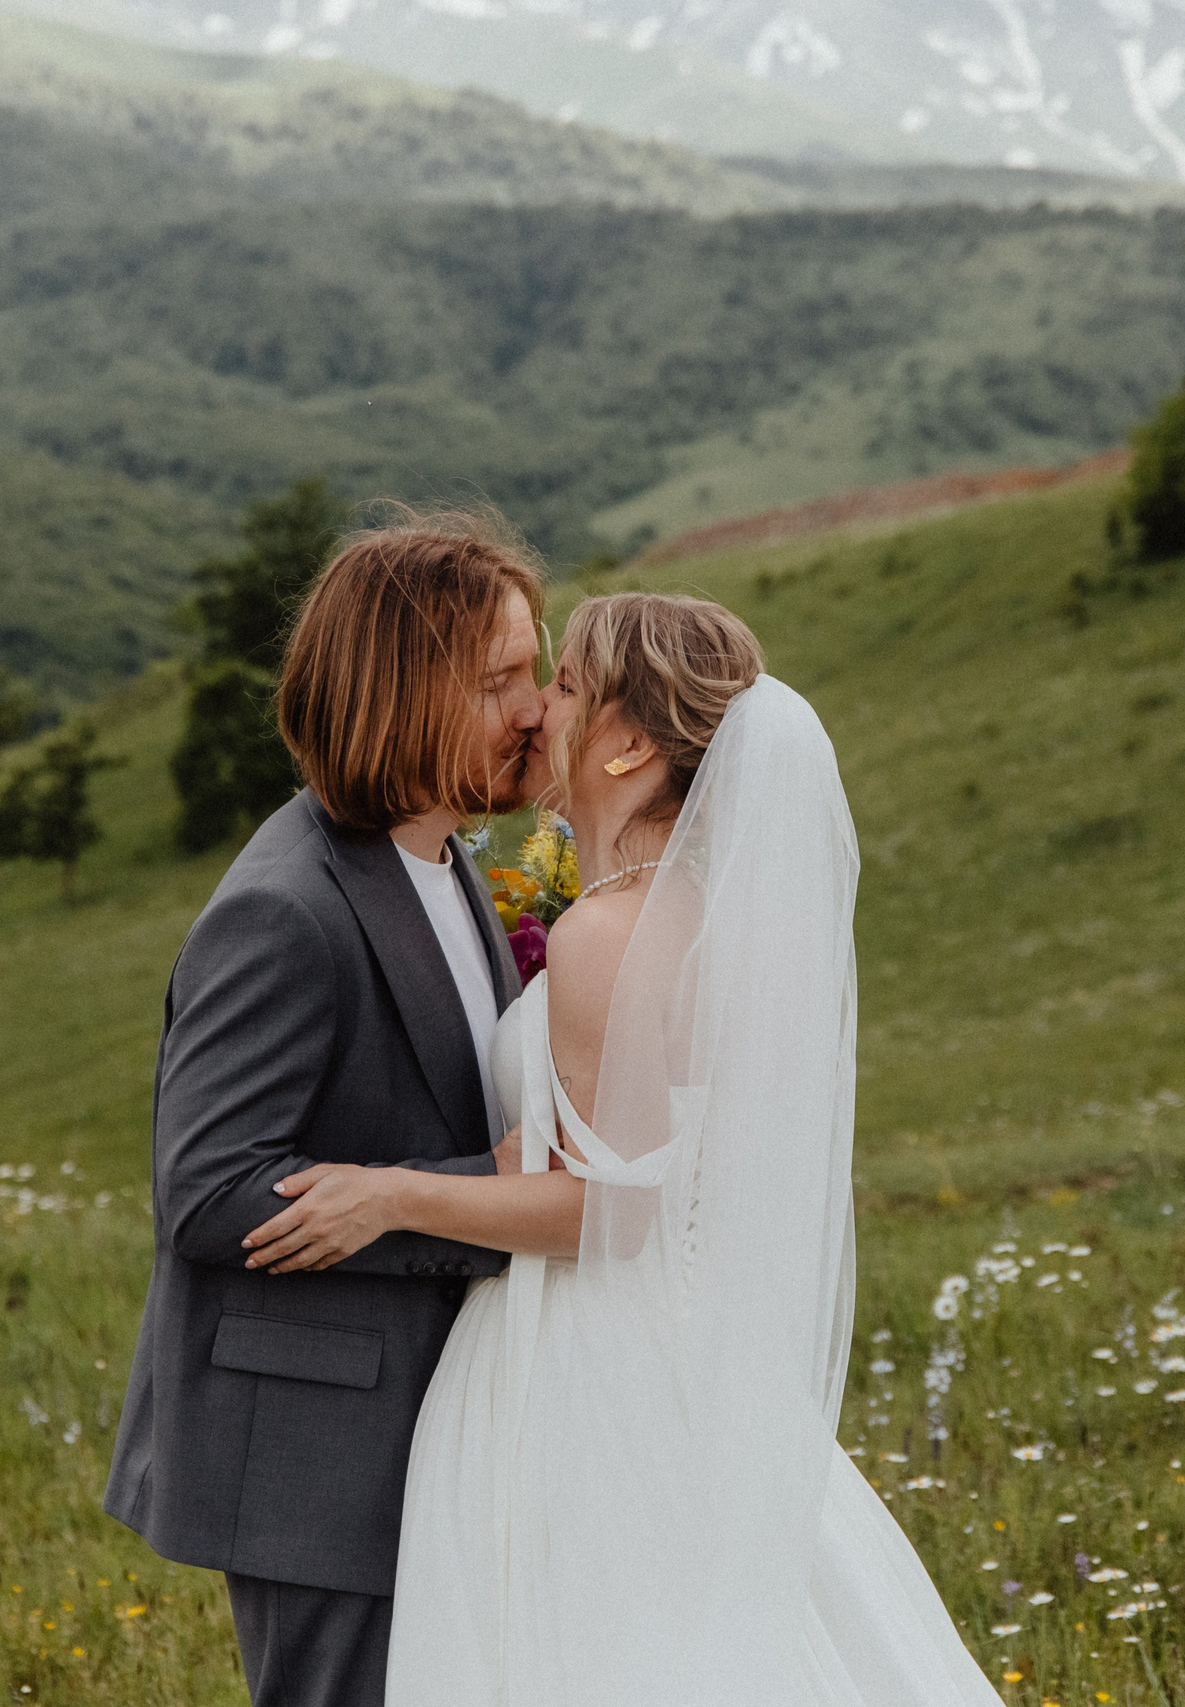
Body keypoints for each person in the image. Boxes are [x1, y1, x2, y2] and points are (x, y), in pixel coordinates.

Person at [244, 593, 1000, 1705]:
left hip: (580, 1363)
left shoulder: (609, 931)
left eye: (562, 686)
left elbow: (607, 1206)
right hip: (671, 1348)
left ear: (630, 743)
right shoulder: (691, 916)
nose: (533, 708)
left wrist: (390, 1195)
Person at [102, 512, 551, 1707]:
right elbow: (206, 1190)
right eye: (498, 682)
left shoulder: (448, 860)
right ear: (402, 698)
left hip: (425, 1421)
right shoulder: (285, 910)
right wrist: (471, 1193)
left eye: (535, 669)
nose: (535, 709)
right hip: (314, 1449)